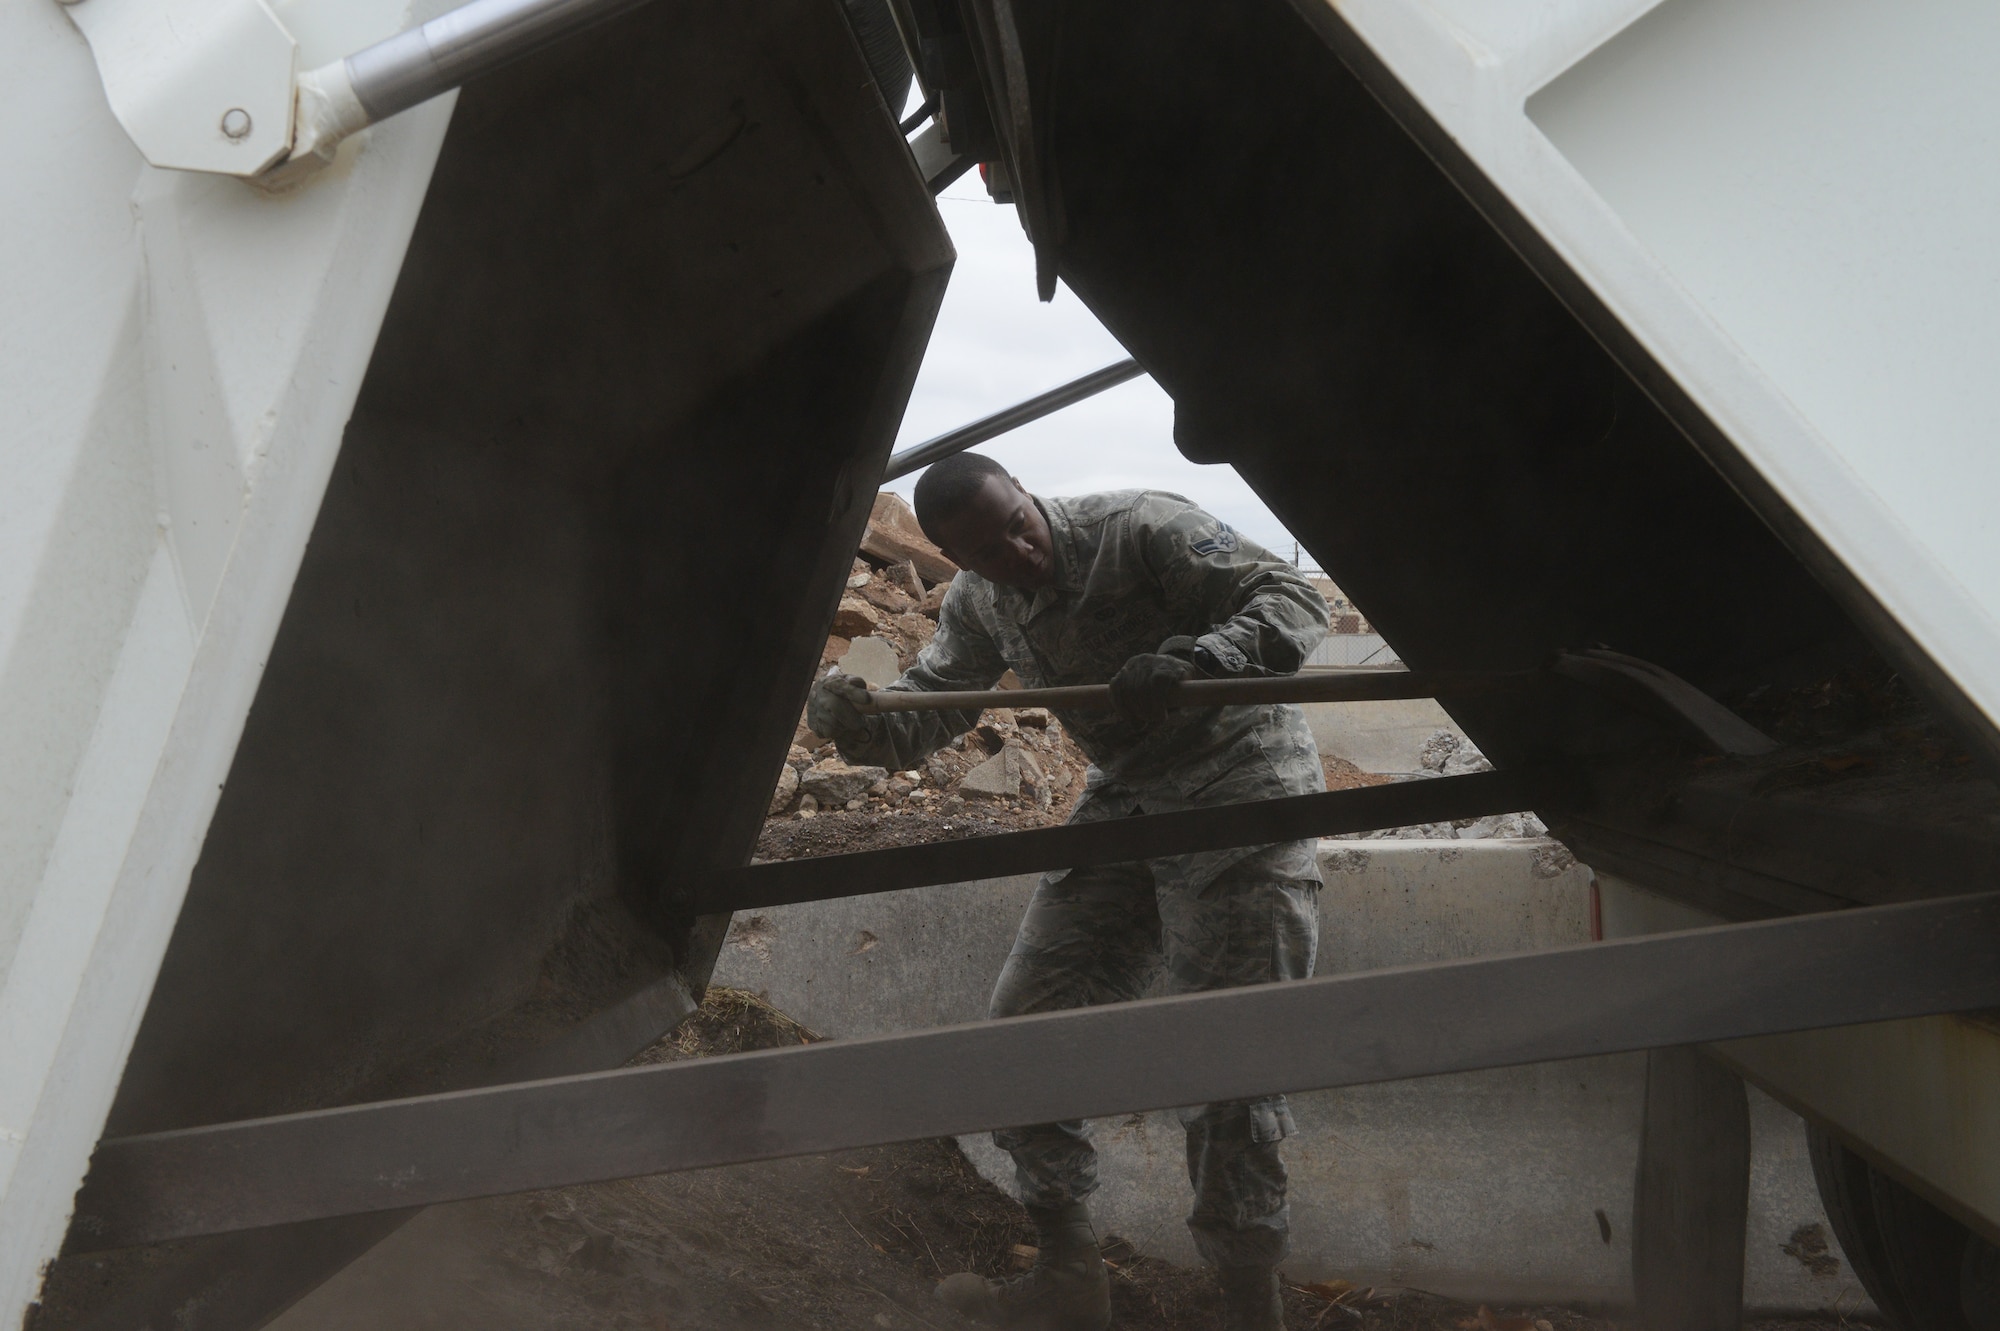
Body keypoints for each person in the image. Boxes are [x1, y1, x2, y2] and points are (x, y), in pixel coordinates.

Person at [807, 451, 1329, 1331]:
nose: (1019, 553)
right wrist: (862, 725)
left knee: (1230, 1064)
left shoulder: (1144, 529)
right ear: (956, 559)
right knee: (1023, 1036)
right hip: (1128, 793)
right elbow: (937, 702)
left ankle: (1251, 1309)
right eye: (987, 551)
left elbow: (1291, 598)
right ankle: (1068, 1275)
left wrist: (1208, 656)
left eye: (1019, 523)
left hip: (1241, 789)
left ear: (1024, 491)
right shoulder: (982, 602)